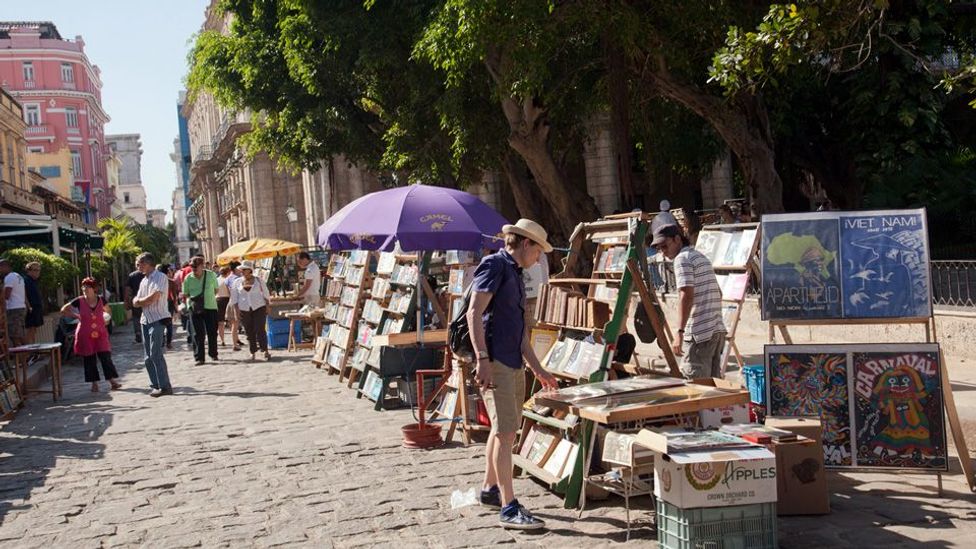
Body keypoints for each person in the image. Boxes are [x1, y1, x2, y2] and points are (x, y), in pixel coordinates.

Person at [467, 218, 559, 530]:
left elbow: (519, 334)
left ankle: (490, 489)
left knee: (501, 429)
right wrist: (482, 358)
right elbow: (474, 312)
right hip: (496, 362)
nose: (540, 257)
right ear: (525, 243)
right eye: (539, 250)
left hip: (512, 360)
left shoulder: (516, 274)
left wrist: (539, 369)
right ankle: (509, 505)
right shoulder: (495, 265)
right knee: (506, 435)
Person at [651, 224, 726, 379]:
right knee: (713, 389)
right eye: (659, 248)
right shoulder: (699, 256)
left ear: (677, 239)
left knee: (695, 388)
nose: (663, 252)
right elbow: (719, 292)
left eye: (665, 246)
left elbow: (686, 295)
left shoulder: (682, 259)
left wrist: (679, 332)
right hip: (716, 331)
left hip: (699, 334)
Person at [61, 277, 122, 392]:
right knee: (89, 358)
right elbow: (64, 310)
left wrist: (106, 319)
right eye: (83, 286)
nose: (85, 289)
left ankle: (112, 381)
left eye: (88, 287)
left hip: (100, 333)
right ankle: (94, 384)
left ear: (94, 288)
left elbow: (108, 310)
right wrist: (77, 316)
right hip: (85, 333)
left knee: (105, 357)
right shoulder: (79, 300)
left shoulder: (101, 300)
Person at [131, 252, 173, 397]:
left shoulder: (160, 277)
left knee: (156, 353)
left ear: (147, 263)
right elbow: (135, 300)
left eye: (139, 263)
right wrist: (140, 301)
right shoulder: (144, 281)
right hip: (145, 320)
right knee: (147, 357)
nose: (137, 267)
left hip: (157, 319)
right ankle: (155, 385)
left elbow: (153, 298)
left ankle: (165, 386)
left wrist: (140, 302)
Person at [182, 257, 220, 365]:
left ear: (202, 265)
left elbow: (216, 290)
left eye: (195, 266)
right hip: (195, 309)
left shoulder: (211, 275)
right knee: (197, 334)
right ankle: (199, 357)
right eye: (191, 266)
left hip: (210, 306)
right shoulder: (188, 278)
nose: (193, 268)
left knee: (212, 332)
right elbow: (186, 293)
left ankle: (213, 354)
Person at [231, 260, 271, 361]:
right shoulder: (237, 282)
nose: (242, 271)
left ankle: (265, 350)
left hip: (259, 307)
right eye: (241, 270)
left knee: (260, 329)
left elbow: (266, 293)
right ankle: (252, 351)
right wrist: (236, 311)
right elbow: (234, 298)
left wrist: (268, 305)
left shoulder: (258, 280)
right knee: (249, 331)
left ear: (250, 270)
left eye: (244, 269)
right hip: (244, 309)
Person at [0, 259, 27, 348]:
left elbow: (6, 295)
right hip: (20, 307)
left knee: (15, 336)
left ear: (5, 267)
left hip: (13, 309)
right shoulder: (18, 276)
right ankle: (29, 356)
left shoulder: (9, 277)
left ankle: (25, 358)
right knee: (20, 334)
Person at [24, 262, 44, 344]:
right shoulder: (26, 280)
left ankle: (33, 353)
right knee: (30, 330)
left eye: (39, 270)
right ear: (28, 271)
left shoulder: (34, 281)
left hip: (36, 308)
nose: (37, 272)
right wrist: (29, 307)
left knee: (34, 330)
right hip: (31, 309)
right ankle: (27, 354)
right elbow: (24, 295)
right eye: (35, 270)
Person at [125, 266, 145, 344]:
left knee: (136, 317)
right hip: (147, 299)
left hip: (136, 299)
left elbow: (127, 290)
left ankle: (138, 334)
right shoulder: (148, 274)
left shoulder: (132, 275)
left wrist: (127, 301)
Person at [216, 266, 234, 347]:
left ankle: (222, 340)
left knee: (220, 322)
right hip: (227, 300)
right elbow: (230, 291)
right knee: (231, 320)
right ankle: (235, 338)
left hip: (218, 300)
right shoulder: (227, 280)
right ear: (227, 272)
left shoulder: (216, 280)